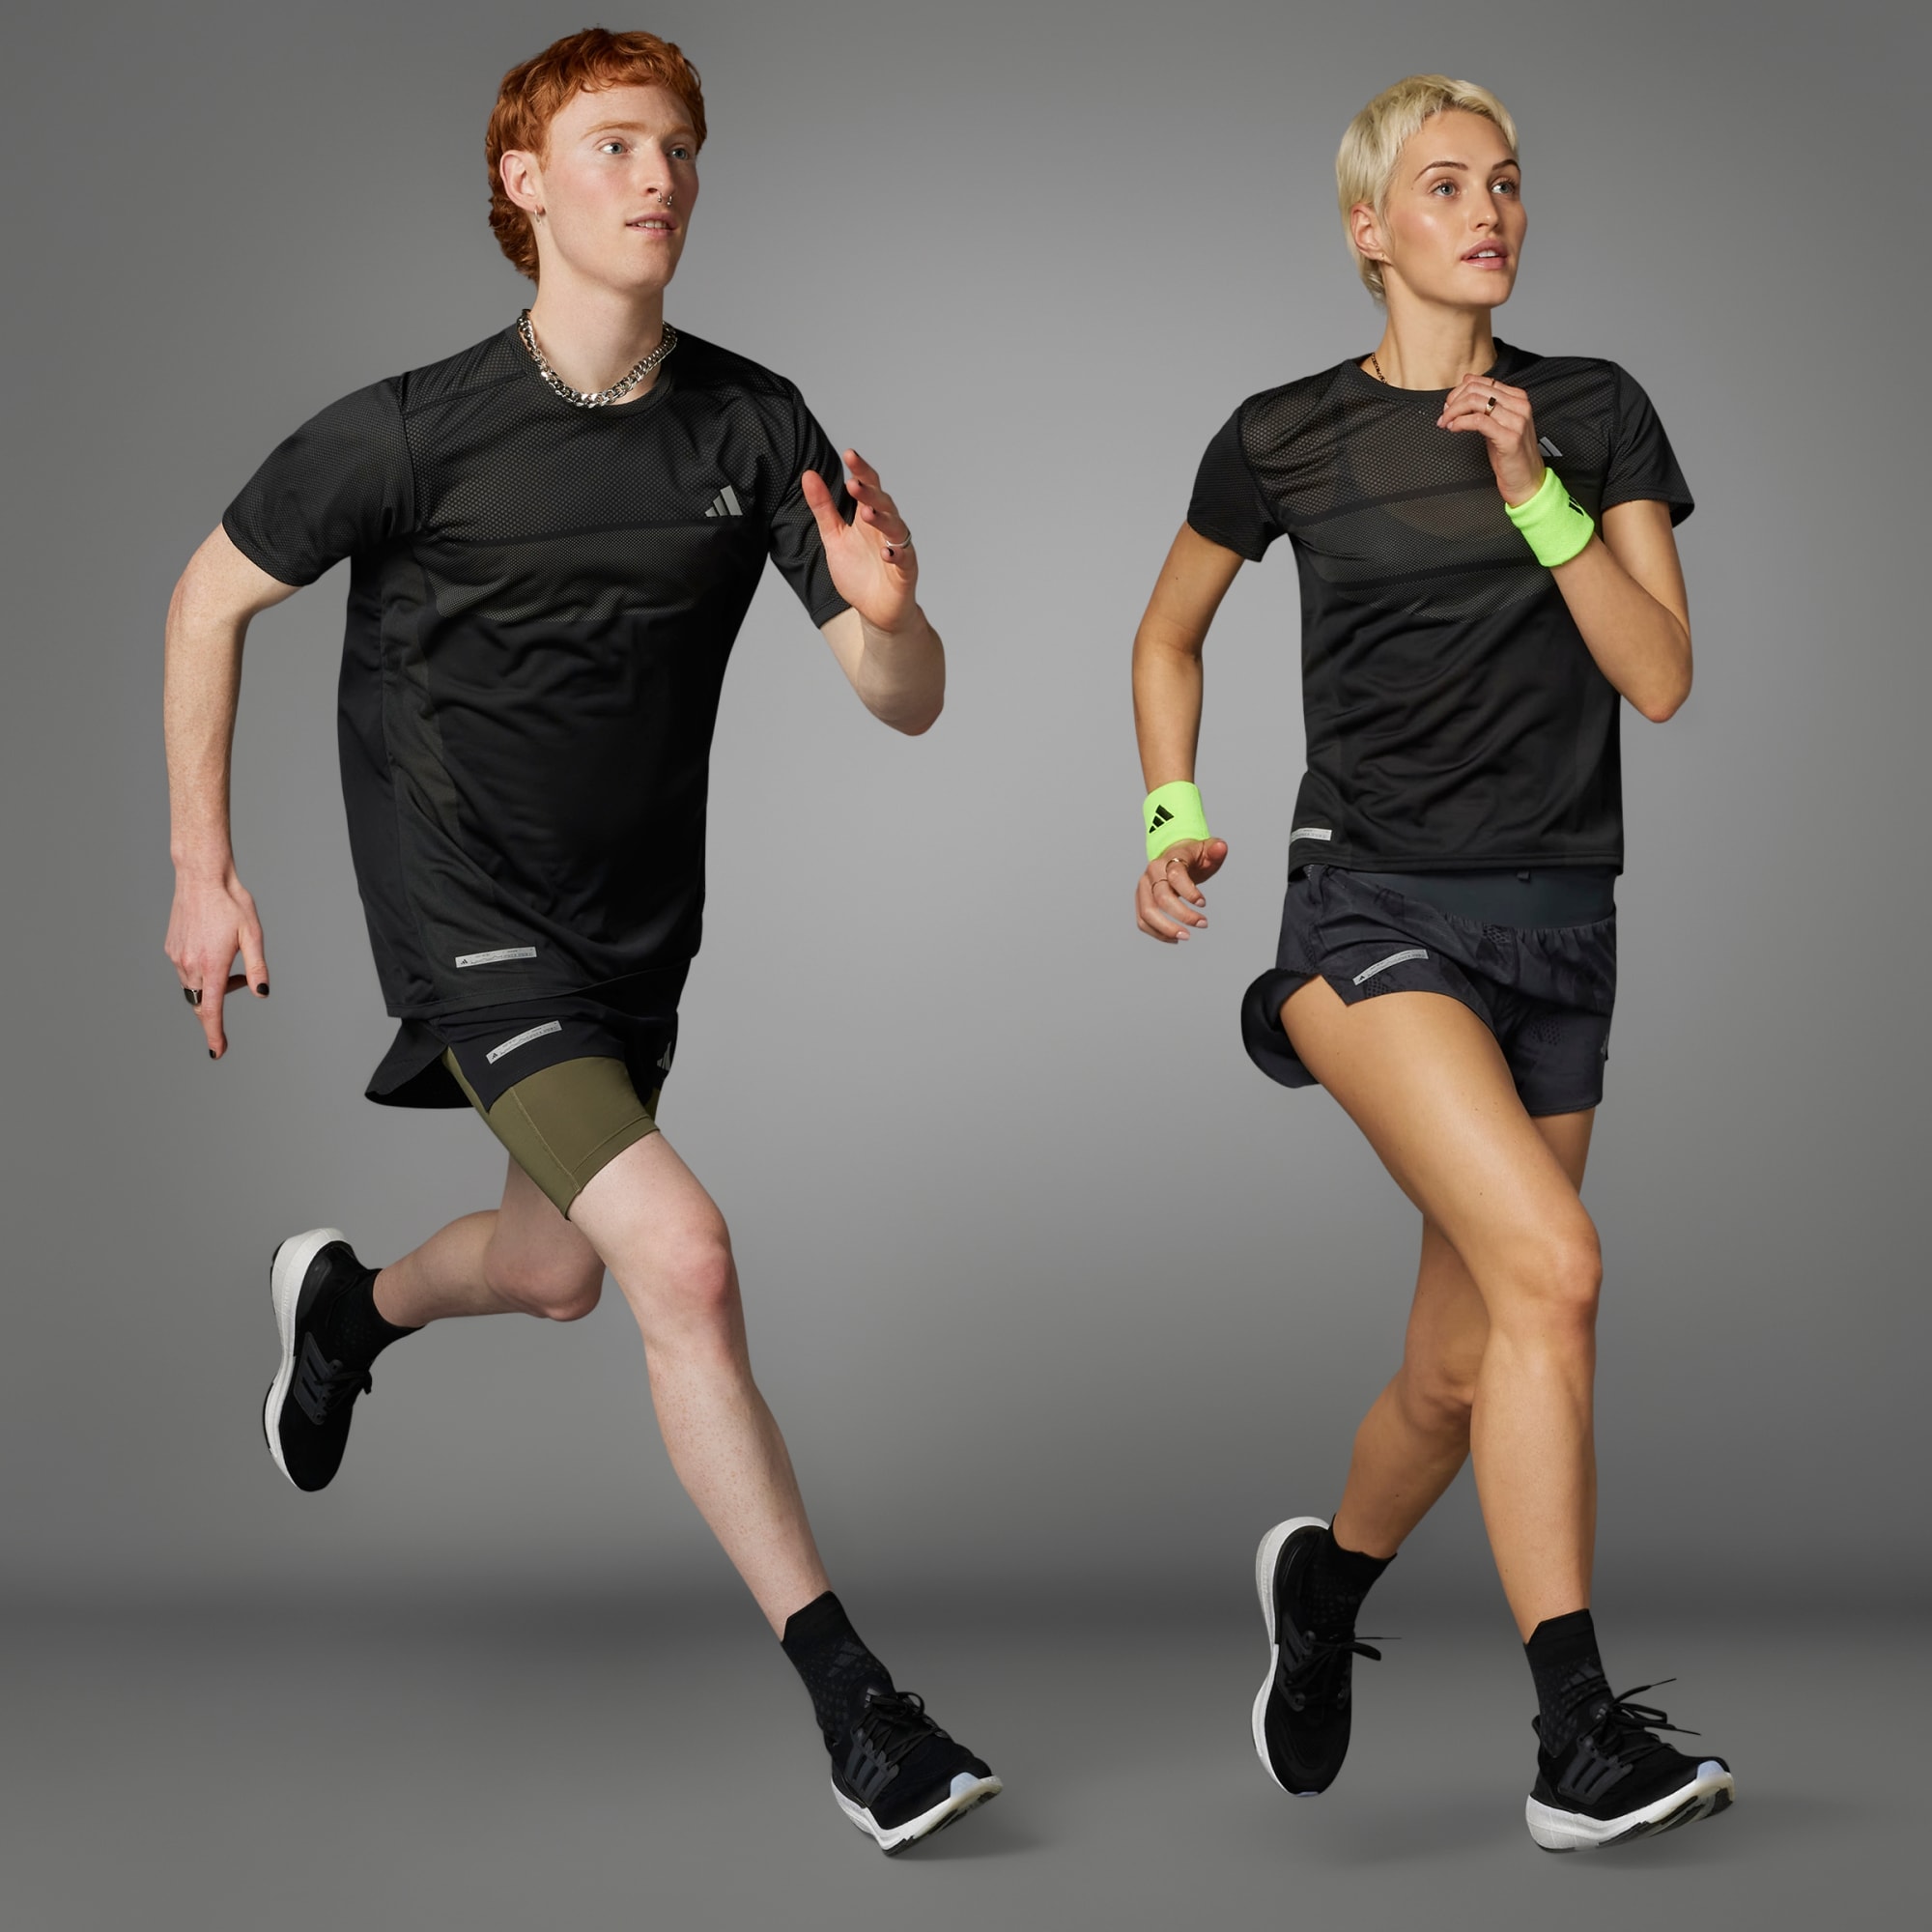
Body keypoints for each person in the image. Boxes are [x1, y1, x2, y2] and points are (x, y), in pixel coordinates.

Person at [162, 27, 998, 1855]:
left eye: (679, 146)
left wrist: (894, 613)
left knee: (559, 1273)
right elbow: (209, 597)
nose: (659, 176)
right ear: (525, 182)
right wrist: (203, 870)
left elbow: (904, 700)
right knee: (683, 1258)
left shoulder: (752, 423)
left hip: (634, 938)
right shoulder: (412, 430)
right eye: (616, 144)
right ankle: (859, 1707)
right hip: (465, 918)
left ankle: (348, 1310)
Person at [1128, 74, 1732, 1852]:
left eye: (1508, 183)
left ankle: (1322, 1588)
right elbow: (1168, 633)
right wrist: (1172, 814)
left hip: (1561, 928)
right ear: (1369, 230)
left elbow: (1660, 675)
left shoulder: (1593, 411)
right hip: (1369, 911)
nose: (1489, 211)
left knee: (1462, 1370)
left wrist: (1537, 492)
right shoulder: (1286, 435)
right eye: (1446, 184)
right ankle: (1575, 1742)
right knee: (1558, 1268)